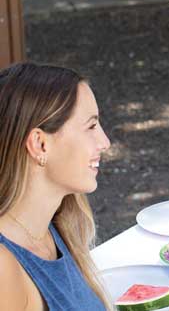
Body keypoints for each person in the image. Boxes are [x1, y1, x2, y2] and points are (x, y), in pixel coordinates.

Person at [0, 63, 111, 310]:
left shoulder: (57, 228)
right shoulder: (4, 269)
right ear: (40, 144)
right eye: (91, 126)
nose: (105, 142)